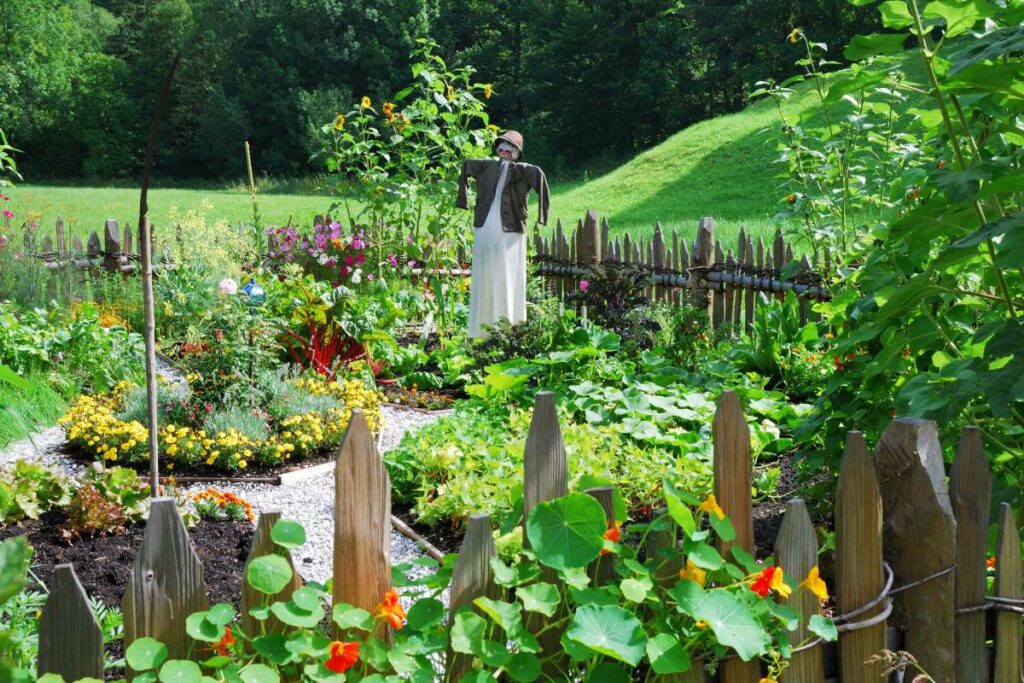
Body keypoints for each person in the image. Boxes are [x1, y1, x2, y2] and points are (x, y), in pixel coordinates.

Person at [456, 130, 549, 338]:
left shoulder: (524, 171)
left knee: (507, 275)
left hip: (511, 232)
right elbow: (465, 166)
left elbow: (540, 178)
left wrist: (542, 216)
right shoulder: (486, 167)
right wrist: (462, 200)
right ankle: (482, 331)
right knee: (485, 274)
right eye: (502, 146)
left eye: (511, 147)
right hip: (484, 229)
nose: (505, 150)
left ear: (517, 152)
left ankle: (508, 329)